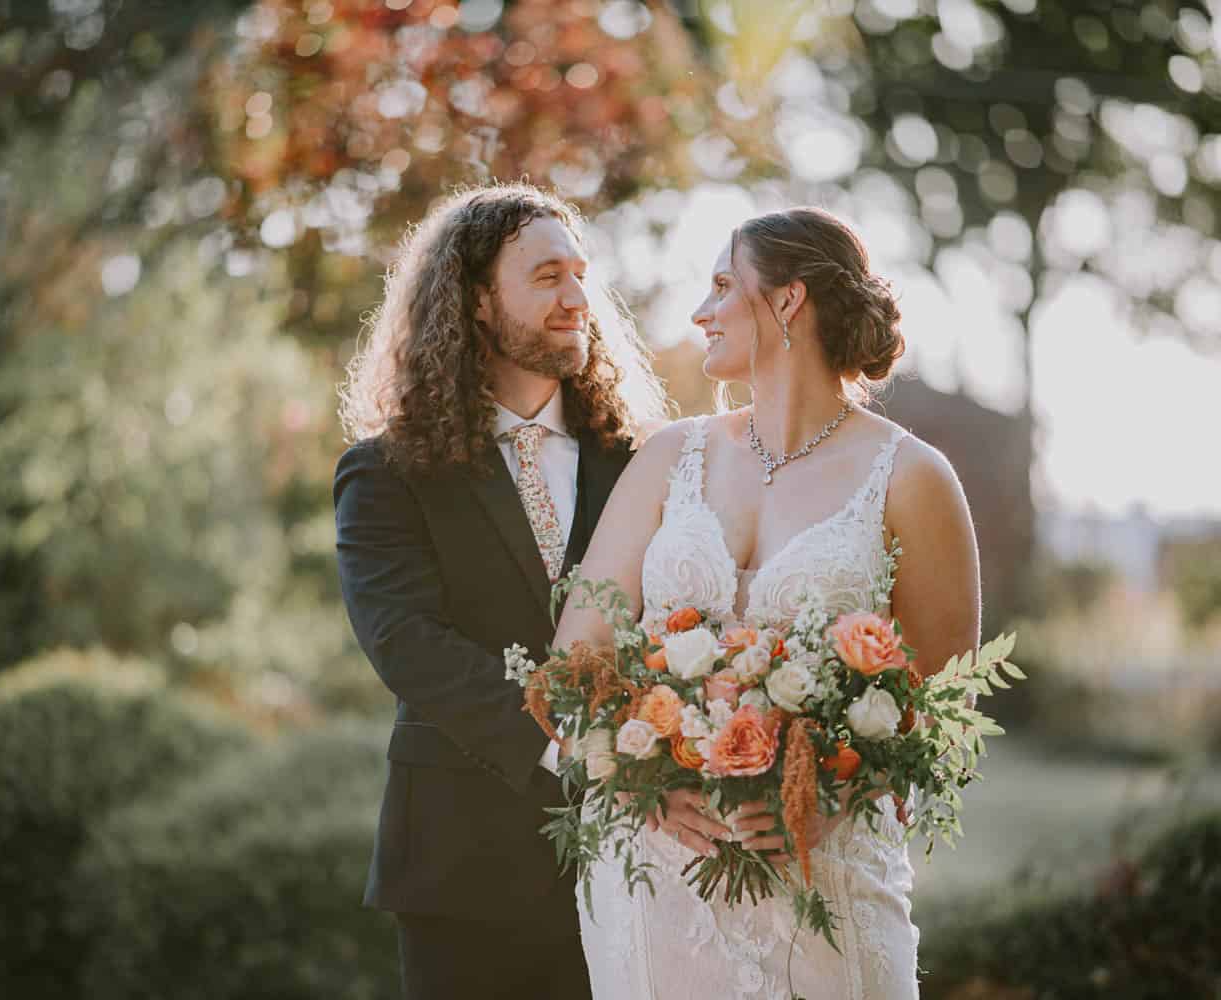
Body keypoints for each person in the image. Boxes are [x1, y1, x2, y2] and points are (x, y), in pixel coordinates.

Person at [553, 207, 981, 998]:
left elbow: (947, 700)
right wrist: (646, 777)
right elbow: (576, 657)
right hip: (659, 875)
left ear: (789, 300)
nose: (700, 312)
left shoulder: (911, 476)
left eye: (723, 285)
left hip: (825, 877)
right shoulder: (668, 457)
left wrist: (832, 796)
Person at [333, 183, 666, 1000]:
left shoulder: (640, 463)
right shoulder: (385, 472)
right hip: (460, 866)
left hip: (639, 857)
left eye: (581, 275)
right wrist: (568, 744)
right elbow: (405, 642)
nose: (578, 297)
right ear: (476, 301)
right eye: (548, 277)